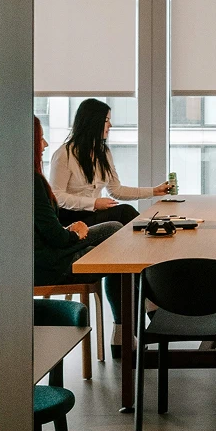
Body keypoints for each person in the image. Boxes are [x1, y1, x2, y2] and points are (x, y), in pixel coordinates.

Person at [34, 116, 125, 356]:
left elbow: (44, 233)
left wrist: (71, 231)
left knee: (117, 227)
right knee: (118, 235)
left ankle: (127, 325)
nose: (44, 144)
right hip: (53, 265)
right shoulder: (34, 181)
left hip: (48, 256)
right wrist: (75, 234)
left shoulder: (25, 180)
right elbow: (54, 239)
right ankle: (136, 320)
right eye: (40, 137)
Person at [48, 97, 173, 228]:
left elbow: (116, 190)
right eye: (107, 120)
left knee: (125, 215)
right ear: (93, 122)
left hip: (93, 215)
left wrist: (154, 191)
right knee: (124, 212)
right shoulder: (64, 154)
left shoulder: (103, 153)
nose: (110, 125)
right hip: (72, 220)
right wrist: (94, 203)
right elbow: (57, 196)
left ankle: (152, 231)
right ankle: (153, 231)